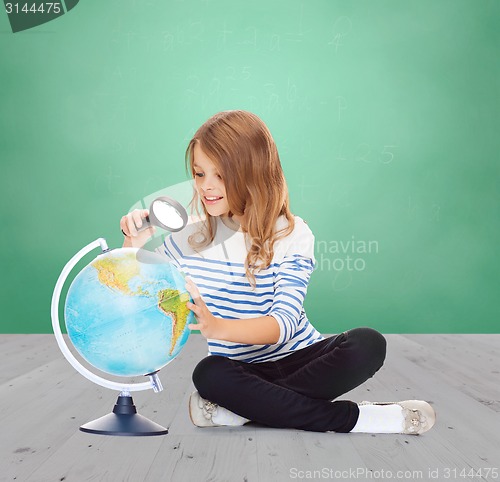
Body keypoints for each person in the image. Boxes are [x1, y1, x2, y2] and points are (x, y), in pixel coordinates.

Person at [120, 110, 436, 435]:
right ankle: (358, 419)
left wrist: (217, 327)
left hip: (302, 358)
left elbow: (283, 325)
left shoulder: (292, 233)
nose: (206, 187)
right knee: (208, 372)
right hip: (242, 373)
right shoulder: (190, 238)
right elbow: (135, 293)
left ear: (252, 172)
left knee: (368, 343)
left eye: (221, 175)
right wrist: (133, 244)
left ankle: (244, 412)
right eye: (200, 174)